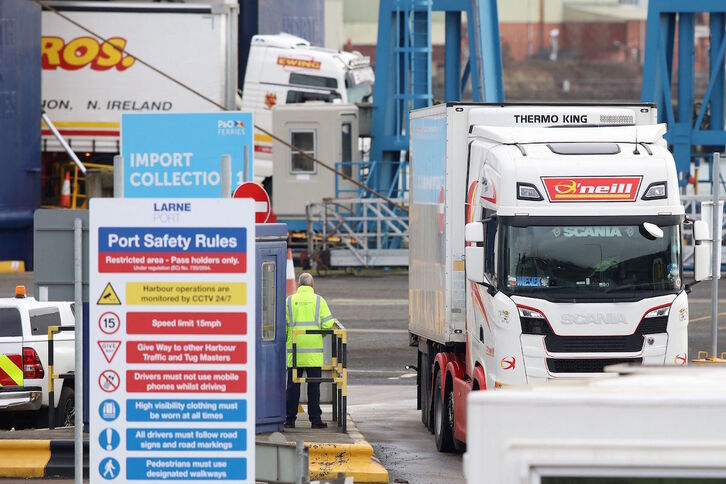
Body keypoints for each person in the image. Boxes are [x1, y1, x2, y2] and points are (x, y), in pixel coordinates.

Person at [285, 272, 335, 429]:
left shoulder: (289, 300)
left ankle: (290, 419)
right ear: (312, 285)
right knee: (314, 387)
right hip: (313, 354)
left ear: (299, 285)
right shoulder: (319, 300)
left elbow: (283, 325)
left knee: (293, 387)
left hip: (294, 352)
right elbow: (328, 325)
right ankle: (315, 420)